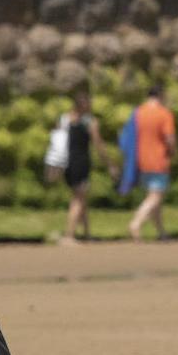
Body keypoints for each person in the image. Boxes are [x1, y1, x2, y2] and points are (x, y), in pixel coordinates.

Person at [59, 90, 113, 245]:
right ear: (85, 106)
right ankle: (69, 235)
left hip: (67, 162)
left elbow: (58, 140)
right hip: (81, 162)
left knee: (81, 198)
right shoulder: (90, 122)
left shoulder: (65, 119)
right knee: (78, 199)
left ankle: (87, 233)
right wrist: (109, 164)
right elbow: (99, 145)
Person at [127, 85, 177, 242]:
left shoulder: (138, 113)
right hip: (158, 159)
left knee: (154, 196)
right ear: (161, 95)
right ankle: (136, 222)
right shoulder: (164, 113)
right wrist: (173, 151)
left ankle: (161, 232)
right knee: (156, 196)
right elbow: (170, 138)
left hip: (141, 159)